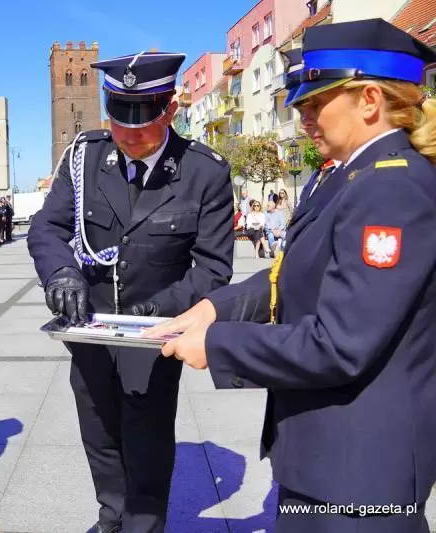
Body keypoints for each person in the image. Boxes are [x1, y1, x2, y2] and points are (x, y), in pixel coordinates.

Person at [144, 19, 436, 533]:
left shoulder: (391, 188)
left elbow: (341, 343)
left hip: (361, 474)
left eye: (315, 103)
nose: (302, 117)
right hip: (328, 455)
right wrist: (214, 309)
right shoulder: (343, 177)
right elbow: (292, 271)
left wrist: (218, 344)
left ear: (370, 100)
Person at [28, 51, 234, 533]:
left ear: (170, 109)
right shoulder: (86, 158)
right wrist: (61, 273)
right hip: (90, 332)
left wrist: (155, 311)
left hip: (154, 337)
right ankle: (111, 518)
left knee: (147, 443)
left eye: (144, 123)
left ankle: (142, 525)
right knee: (99, 434)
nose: (129, 134)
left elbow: (213, 268)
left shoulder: (204, 172)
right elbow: (47, 227)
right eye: (120, 120)